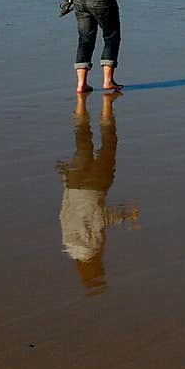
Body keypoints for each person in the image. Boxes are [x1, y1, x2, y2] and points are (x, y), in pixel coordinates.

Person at [55, 91, 139, 293]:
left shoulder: (89, 248)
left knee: (109, 145)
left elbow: (98, 218)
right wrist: (65, 178)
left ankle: (107, 108)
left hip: (94, 186)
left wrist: (125, 215)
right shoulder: (67, 243)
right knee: (83, 140)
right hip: (73, 184)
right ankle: (82, 106)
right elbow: (64, 211)